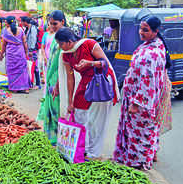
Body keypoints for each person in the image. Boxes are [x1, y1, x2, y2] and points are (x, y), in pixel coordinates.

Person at [113, 16, 170, 170]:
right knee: (143, 131)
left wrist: (137, 103)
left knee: (140, 133)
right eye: (140, 29)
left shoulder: (153, 52)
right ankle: (143, 157)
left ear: (155, 31)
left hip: (141, 101)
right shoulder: (149, 46)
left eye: (145, 30)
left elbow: (148, 81)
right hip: (137, 97)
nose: (141, 32)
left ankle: (139, 163)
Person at [55, 27, 119, 160]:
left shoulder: (89, 44)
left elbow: (105, 63)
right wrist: (70, 102)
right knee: (79, 113)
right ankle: (82, 147)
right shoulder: (66, 55)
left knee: (97, 120)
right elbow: (70, 77)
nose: (60, 47)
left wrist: (90, 63)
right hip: (86, 82)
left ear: (69, 41)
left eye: (61, 44)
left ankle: (94, 153)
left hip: (100, 81)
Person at [36, 10, 66, 145]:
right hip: (51, 77)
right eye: (50, 24)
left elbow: (65, 64)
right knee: (52, 107)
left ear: (63, 22)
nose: (53, 26)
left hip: (60, 78)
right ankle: (52, 138)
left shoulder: (65, 37)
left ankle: (59, 139)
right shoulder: (54, 36)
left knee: (58, 110)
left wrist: (59, 84)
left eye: (55, 24)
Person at [0, 16, 31, 94]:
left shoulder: (6, 32)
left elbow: (4, 45)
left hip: (11, 54)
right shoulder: (20, 30)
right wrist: (26, 52)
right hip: (20, 52)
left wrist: (1, 54)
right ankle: (25, 88)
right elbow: (24, 42)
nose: (5, 23)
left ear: (8, 23)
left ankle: (15, 88)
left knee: (12, 70)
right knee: (23, 70)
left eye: (5, 22)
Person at [22, 17, 41, 90]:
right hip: (30, 50)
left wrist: (31, 50)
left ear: (25, 22)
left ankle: (38, 84)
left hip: (32, 51)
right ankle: (32, 82)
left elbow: (33, 40)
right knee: (31, 66)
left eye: (22, 22)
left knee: (35, 66)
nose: (22, 23)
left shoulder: (33, 28)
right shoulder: (28, 28)